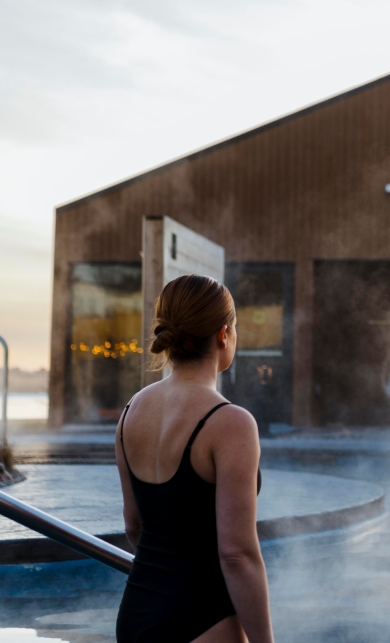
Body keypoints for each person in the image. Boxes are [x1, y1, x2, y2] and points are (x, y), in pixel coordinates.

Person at [115, 274, 273, 643]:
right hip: (202, 618)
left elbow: (134, 525)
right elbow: (236, 555)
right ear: (223, 334)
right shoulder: (231, 423)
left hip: (137, 613)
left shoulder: (131, 412)